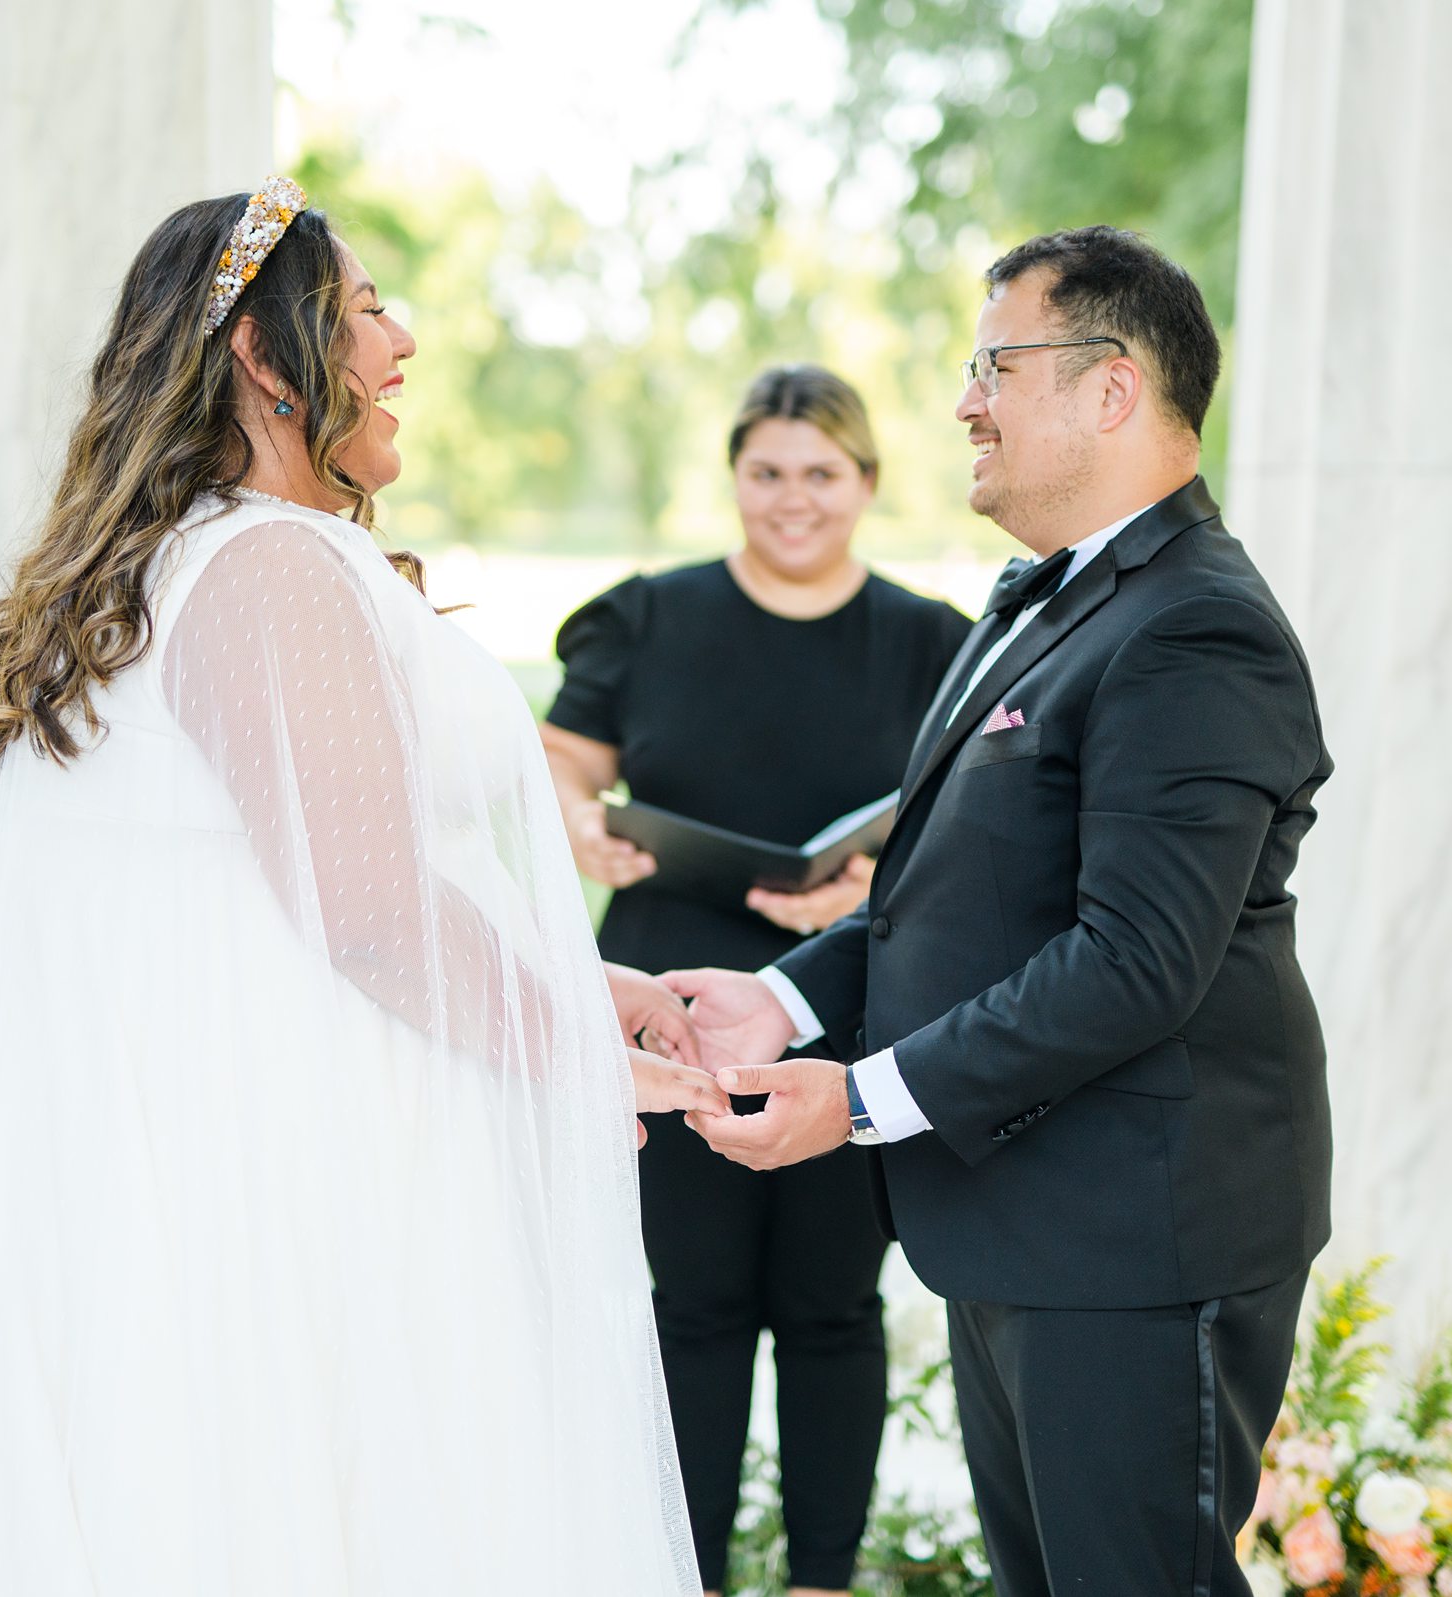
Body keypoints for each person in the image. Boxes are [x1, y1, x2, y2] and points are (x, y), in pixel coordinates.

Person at [0, 177, 723, 1595]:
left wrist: (577, 985)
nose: (404, 346)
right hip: (306, 1206)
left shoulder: (199, 566)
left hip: (293, 1157)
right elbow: (372, 917)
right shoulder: (271, 569)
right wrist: (579, 1054)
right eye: (369, 312)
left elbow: (319, 883)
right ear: (268, 362)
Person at [667, 227, 1334, 1597]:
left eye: (995, 364)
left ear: (1111, 389)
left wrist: (850, 1101)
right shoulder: (1042, 599)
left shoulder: (1198, 627)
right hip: (1020, 1221)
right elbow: (963, 894)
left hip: (1139, 1239)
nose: (965, 399)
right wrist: (787, 998)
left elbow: (1134, 963)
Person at [541, 365, 971, 1596]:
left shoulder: (931, 639)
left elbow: (956, 825)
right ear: (734, 476)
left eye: (822, 473)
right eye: (767, 471)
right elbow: (564, 761)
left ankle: (821, 1580)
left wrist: (859, 897)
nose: (793, 499)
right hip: (670, 1009)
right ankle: (688, 1575)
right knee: (695, 1304)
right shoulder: (652, 618)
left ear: (868, 483)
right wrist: (581, 824)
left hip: (848, 1002)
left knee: (835, 1306)